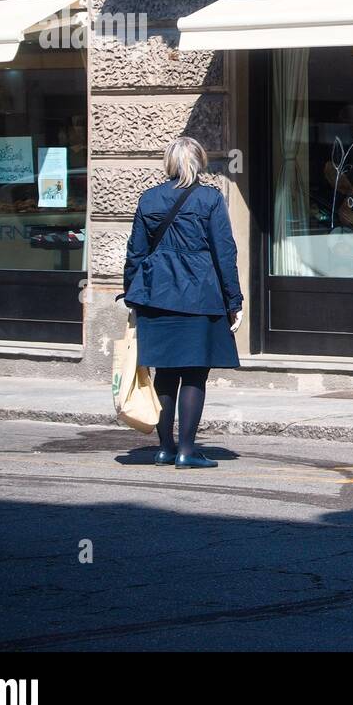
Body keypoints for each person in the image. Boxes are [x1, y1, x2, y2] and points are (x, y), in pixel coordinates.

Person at [123, 136, 243, 469]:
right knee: (193, 375)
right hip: (200, 297)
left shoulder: (149, 199)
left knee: (164, 372)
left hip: (156, 296)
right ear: (200, 162)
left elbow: (135, 253)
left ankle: (164, 448)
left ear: (170, 164)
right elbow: (225, 253)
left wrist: (132, 295)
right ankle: (187, 451)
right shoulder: (209, 200)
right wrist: (234, 300)